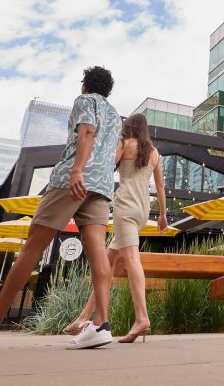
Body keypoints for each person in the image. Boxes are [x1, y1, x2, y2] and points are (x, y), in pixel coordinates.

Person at [0, 66, 121, 350]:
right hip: (101, 185)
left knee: (32, 249)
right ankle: (101, 324)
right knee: (98, 250)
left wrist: (77, 170)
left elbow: (87, 131)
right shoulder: (115, 116)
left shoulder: (85, 101)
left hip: (71, 182)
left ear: (85, 84)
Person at [63, 113, 168, 343]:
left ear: (128, 126)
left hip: (125, 207)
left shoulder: (125, 143)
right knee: (106, 265)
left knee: (132, 260)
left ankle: (142, 317)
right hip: (142, 210)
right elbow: (160, 186)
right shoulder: (154, 153)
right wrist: (162, 214)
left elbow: (107, 166)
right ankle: (83, 317)